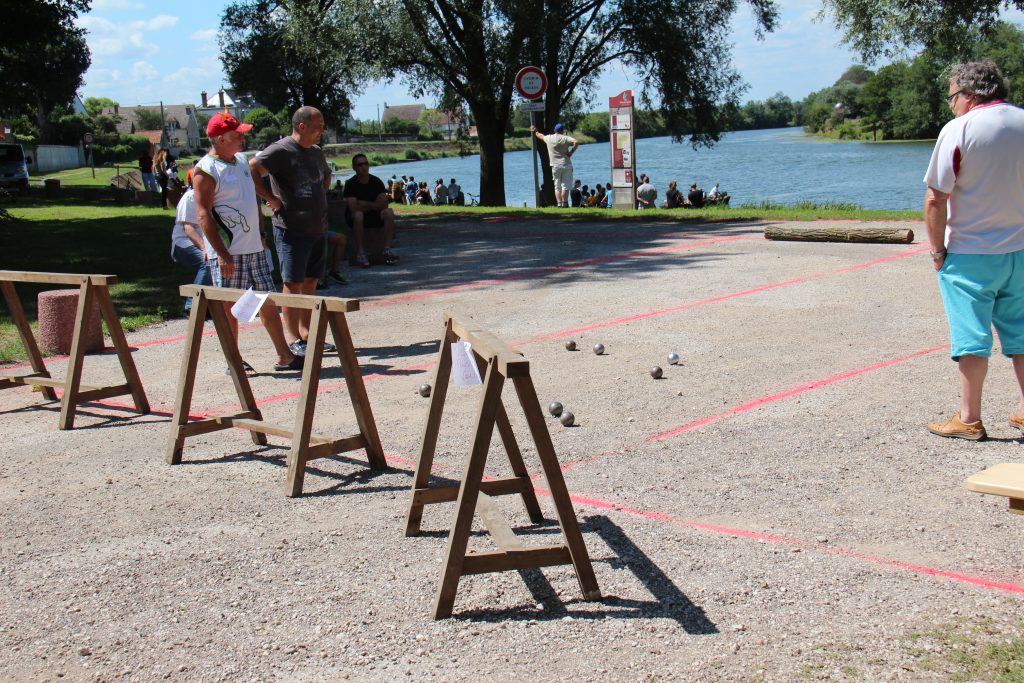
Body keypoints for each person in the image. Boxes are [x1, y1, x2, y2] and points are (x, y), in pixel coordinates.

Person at [923, 61, 1024, 441]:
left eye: (951, 96)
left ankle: (969, 418)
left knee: (971, 336)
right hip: (1021, 248)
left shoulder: (959, 129)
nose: (951, 104)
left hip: (971, 251)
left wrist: (937, 250)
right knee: (1022, 333)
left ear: (967, 95)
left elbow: (936, 197)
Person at [193, 111, 302, 373]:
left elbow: (251, 196)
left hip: (253, 246)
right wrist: (221, 252)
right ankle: (234, 359)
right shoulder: (205, 170)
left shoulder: (240, 160)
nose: (242, 138)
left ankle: (284, 355)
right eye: (237, 135)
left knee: (266, 299)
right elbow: (203, 213)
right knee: (230, 305)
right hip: (230, 251)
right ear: (220, 139)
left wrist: (262, 233)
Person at [249, 106, 334, 359]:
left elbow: (326, 175)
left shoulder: (316, 153)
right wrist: (271, 198)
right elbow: (252, 168)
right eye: (318, 126)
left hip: (317, 227)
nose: (322, 131)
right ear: (301, 126)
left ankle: (307, 334)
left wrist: (321, 196)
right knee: (292, 282)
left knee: (310, 281)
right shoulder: (281, 150)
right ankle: (294, 338)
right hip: (291, 229)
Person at [343, 153, 399, 267]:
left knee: (389, 212)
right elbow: (353, 208)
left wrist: (363, 203)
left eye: (366, 163)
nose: (364, 167)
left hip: (374, 215)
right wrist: (374, 204)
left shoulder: (376, 181)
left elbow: (384, 205)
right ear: (354, 168)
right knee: (358, 215)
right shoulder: (350, 184)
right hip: (356, 218)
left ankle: (387, 249)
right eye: (360, 164)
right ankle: (360, 252)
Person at [169, 187, 212, 316]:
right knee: (208, 263)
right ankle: (192, 306)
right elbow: (188, 229)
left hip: (208, 243)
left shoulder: (217, 195)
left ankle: (212, 306)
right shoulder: (190, 197)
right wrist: (204, 248)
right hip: (183, 243)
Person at [532, 123, 578, 207]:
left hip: (555, 165)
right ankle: (565, 203)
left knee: (557, 186)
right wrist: (571, 152)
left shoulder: (549, 138)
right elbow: (576, 142)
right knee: (565, 186)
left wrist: (535, 131)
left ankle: (559, 203)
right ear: (562, 131)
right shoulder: (565, 138)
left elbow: (540, 136)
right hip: (566, 164)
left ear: (554, 130)